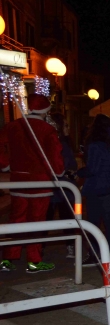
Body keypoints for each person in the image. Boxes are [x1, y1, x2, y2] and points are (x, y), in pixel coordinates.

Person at [0, 94, 64, 273]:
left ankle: (8, 257)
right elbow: (55, 154)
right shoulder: (47, 129)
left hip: (18, 180)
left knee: (16, 219)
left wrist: (6, 165)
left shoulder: (13, 126)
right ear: (46, 110)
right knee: (37, 221)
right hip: (40, 182)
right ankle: (34, 260)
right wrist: (58, 173)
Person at [78, 114, 110, 264]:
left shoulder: (95, 145)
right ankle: (109, 252)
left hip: (97, 188)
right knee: (109, 222)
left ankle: (95, 254)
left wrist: (78, 173)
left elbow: (93, 169)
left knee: (93, 223)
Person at [45, 113, 80, 258]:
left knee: (68, 217)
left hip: (66, 186)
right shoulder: (55, 143)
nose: (68, 128)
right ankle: (37, 247)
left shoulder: (66, 143)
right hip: (55, 186)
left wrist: (73, 171)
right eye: (65, 125)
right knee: (47, 217)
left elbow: (70, 162)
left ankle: (70, 245)